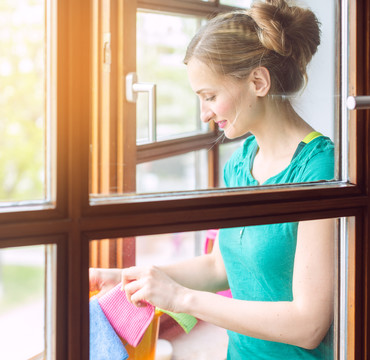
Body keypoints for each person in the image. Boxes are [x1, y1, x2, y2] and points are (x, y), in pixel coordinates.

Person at [89, 0, 335, 358]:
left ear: (258, 81)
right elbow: (218, 266)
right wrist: (129, 278)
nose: (205, 113)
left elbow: (308, 325)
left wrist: (182, 298)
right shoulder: (239, 165)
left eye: (211, 96)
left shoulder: (319, 170)